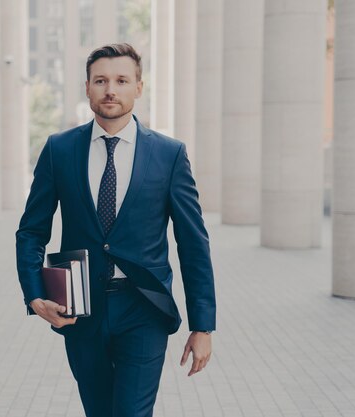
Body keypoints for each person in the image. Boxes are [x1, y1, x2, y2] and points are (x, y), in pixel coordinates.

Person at [16, 43, 216, 417]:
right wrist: (34, 294)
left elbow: (193, 243)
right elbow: (31, 231)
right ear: (87, 87)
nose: (111, 89)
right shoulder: (59, 149)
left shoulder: (169, 154)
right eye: (101, 80)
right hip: (78, 307)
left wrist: (202, 326)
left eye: (122, 80)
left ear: (138, 87)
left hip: (144, 306)